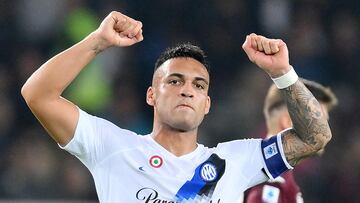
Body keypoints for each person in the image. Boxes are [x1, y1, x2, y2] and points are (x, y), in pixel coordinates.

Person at [21, 11, 332, 202]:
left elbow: (315, 137)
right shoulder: (112, 146)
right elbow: (38, 94)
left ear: (207, 105)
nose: (187, 90)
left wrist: (282, 74)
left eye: (199, 86)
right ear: (151, 95)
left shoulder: (235, 160)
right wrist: (98, 41)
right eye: (174, 81)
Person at [243, 79, 338, 203]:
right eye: (319, 123)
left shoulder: (275, 171)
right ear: (288, 122)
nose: (325, 133)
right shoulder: (271, 178)